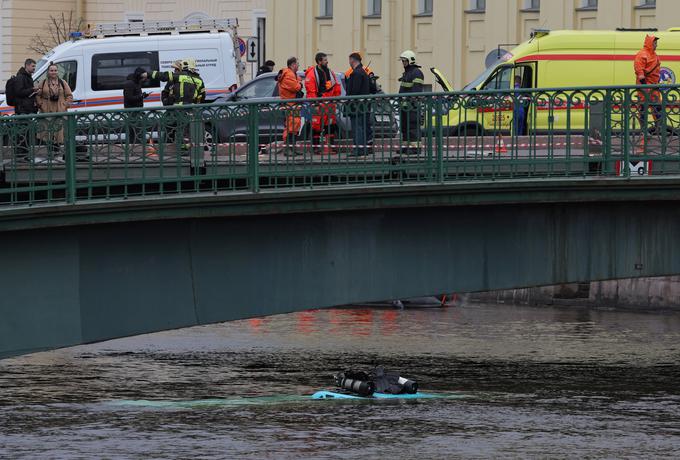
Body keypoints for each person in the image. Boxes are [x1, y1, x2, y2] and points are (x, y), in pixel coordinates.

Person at [305, 52, 341, 154]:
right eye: (325, 60)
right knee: (316, 126)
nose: (327, 61)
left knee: (330, 126)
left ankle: (330, 147)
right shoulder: (312, 74)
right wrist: (315, 104)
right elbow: (311, 91)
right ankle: (316, 148)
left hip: (329, 104)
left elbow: (336, 86)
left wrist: (335, 98)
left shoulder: (330, 72)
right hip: (319, 104)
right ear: (319, 61)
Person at [35, 62, 73, 155]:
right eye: (51, 70)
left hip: (59, 110)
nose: (53, 72)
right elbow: (37, 95)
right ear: (48, 72)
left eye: (55, 70)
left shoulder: (63, 82)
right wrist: (40, 104)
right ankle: (49, 151)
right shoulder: (43, 82)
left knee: (58, 131)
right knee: (47, 132)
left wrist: (64, 105)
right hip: (46, 110)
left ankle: (56, 151)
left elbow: (69, 96)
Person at [634, 34, 662, 149]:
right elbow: (639, 70)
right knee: (643, 110)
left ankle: (659, 129)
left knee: (658, 109)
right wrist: (644, 85)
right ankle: (644, 131)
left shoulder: (654, 55)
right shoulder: (642, 54)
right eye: (655, 42)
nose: (656, 44)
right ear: (650, 43)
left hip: (653, 87)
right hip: (645, 88)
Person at [12, 58, 40, 160]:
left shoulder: (28, 77)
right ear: (27, 66)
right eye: (32, 66)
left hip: (27, 109)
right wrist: (32, 89)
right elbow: (19, 92)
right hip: (22, 110)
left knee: (26, 134)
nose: (34, 68)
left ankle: (25, 155)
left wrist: (33, 92)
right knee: (22, 134)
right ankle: (21, 156)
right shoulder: (21, 77)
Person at [398, 50, 424, 155]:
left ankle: (415, 148)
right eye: (402, 61)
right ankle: (405, 147)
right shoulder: (407, 73)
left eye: (404, 61)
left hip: (412, 106)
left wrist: (410, 102)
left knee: (412, 127)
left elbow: (416, 91)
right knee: (405, 127)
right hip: (405, 106)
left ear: (410, 61)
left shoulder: (416, 73)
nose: (403, 63)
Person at [276, 57, 304, 155]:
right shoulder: (288, 74)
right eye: (297, 64)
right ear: (292, 65)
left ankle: (292, 148)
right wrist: (299, 84)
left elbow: (298, 83)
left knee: (295, 126)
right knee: (290, 127)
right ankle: (288, 149)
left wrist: (299, 83)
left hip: (293, 104)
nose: (298, 66)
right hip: (289, 105)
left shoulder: (291, 74)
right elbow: (296, 87)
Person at [346, 52, 370, 156]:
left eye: (349, 60)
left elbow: (354, 90)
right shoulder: (363, 71)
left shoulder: (356, 73)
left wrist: (348, 100)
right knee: (361, 128)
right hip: (363, 105)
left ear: (352, 60)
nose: (349, 62)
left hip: (356, 106)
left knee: (357, 128)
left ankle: (358, 151)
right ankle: (362, 150)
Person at [123, 66, 150, 147]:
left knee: (136, 132)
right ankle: (136, 149)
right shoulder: (130, 84)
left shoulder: (137, 83)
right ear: (139, 76)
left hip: (137, 111)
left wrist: (142, 96)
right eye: (143, 77)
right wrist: (141, 96)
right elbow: (129, 98)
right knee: (135, 132)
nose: (144, 79)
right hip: (132, 112)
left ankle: (135, 148)